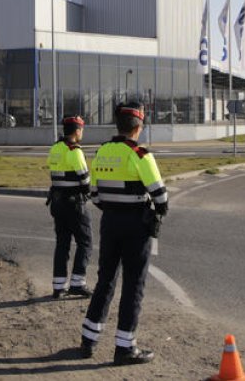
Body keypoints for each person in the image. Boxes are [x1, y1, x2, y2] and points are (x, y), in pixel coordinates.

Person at [79, 102, 167, 366]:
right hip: (135, 226)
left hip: (110, 222)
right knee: (133, 284)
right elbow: (161, 197)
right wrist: (154, 211)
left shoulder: (102, 151)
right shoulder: (140, 154)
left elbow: (94, 194)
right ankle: (125, 347)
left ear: (118, 126)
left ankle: (88, 339)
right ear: (138, 128)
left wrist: (114, 207)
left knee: (105, 279)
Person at [46, 115, 93, 299]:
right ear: (77, 130)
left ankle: (58, 287)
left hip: (57, 203)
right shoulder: (74, 151)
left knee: (62, 244)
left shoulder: (55, 148)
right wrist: (87, 191)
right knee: (85, 242)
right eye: (82, 129)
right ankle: (77, 283)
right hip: (74, 204)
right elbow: (85, 178)